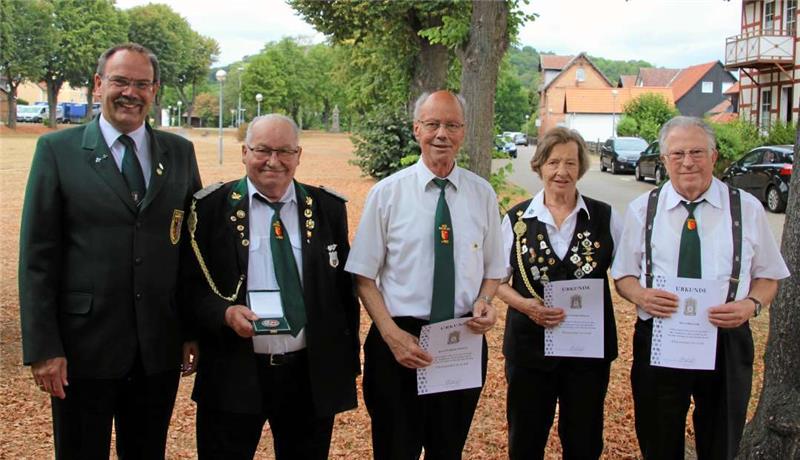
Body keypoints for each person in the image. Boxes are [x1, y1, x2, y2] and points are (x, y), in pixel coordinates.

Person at [18, 43, 202, 458]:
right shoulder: (57, 151)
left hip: (157, 348)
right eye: (120, 81)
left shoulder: (179, 152)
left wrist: (191, 329)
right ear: (99, 84)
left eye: (142, 84)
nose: (130, 93)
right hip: (83, 349)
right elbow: (37, 259)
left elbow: (190, 250)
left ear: (155, 90)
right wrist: (44, 348)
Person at [183, 114, 360, 460]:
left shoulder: (326, 209)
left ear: (298, 155)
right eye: (263, 150)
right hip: (233, 370)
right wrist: (224, 313)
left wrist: (347, 361)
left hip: (307, 376)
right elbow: (190, 286)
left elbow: (343, 293)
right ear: (245, 152)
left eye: (284, 151)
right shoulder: (210, 208)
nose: (273, 161)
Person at [612, 116, 790, 459]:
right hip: (661, 337)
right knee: (658, 438)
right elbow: (623, 276)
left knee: (721, 440)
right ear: (664, 160)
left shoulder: (746, 208)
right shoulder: (642, 209)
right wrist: (641, 295)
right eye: (677, 154)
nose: (687, 162)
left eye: (697, 152)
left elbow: (769, 276)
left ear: (714, 156)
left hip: (727, 338)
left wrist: (751, 305)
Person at [345, 90, 506, 459]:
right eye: (432, 124)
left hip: (461, 340)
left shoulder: (482, 194)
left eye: (452, 125)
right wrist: (391, 335)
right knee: (394, 450)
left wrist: (485, 301)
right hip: (398, 340)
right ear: (417, 129)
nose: (442, 134)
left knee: (447, 450)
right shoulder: (387, 194)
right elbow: (363, 277)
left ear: (463, 131)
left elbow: (493, 270)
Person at [496, 127, 622, 459]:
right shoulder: (517, 220)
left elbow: (627, 275)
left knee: (584, 441)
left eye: (570, 163)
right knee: (525, 440)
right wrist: (526, 305)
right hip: (529, 351)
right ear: (539, 166)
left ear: (581, 168)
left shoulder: (606, 217)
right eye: (553, 162)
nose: (561, 172)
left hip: (587, 354)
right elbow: (495, 281)